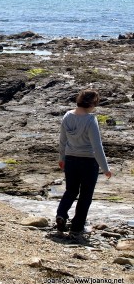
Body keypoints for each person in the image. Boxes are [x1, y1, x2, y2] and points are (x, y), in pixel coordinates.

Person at [56, 89, 112, 237]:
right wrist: (105, 167)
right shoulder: (90, 120)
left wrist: (62, 158)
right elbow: (97, 146)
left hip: (71, 159)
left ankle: (61, 214)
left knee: (71, 191)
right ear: (92, 103)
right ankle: (76, 228)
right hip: (88, 162)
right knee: (85, 195)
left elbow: (62, 140)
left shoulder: (68, 116)